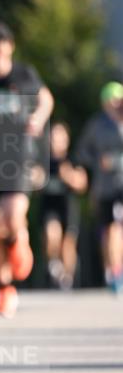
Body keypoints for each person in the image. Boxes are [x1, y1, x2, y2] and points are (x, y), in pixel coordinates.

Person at [0, 19, 54, 317]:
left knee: (12, 215)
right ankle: (5, 289)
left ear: (10, 48)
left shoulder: (24, 74)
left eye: (1, 53)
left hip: (17, 157)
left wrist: (38, 119)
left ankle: (19, 240)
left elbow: (46, 99)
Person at [76, 81, 123, 294]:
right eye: (112, 100)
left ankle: (116, 269)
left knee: (117, 229)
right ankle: (113, 271)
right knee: (110, 229)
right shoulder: (96, 125)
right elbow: (82, 151)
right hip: (106, 187)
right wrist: (98, 161)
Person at [39, 122, 87, 289]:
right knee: (52, 234)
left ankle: (67, 278)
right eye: (53, 137)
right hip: (49, 206)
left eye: (60, 137)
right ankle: (54, 263)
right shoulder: (42, 160)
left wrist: (69, 176)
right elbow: (34, 181)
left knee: (68, 243)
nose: (56, 141)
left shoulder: (73, 159)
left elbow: (82, 184)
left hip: (68, 206)